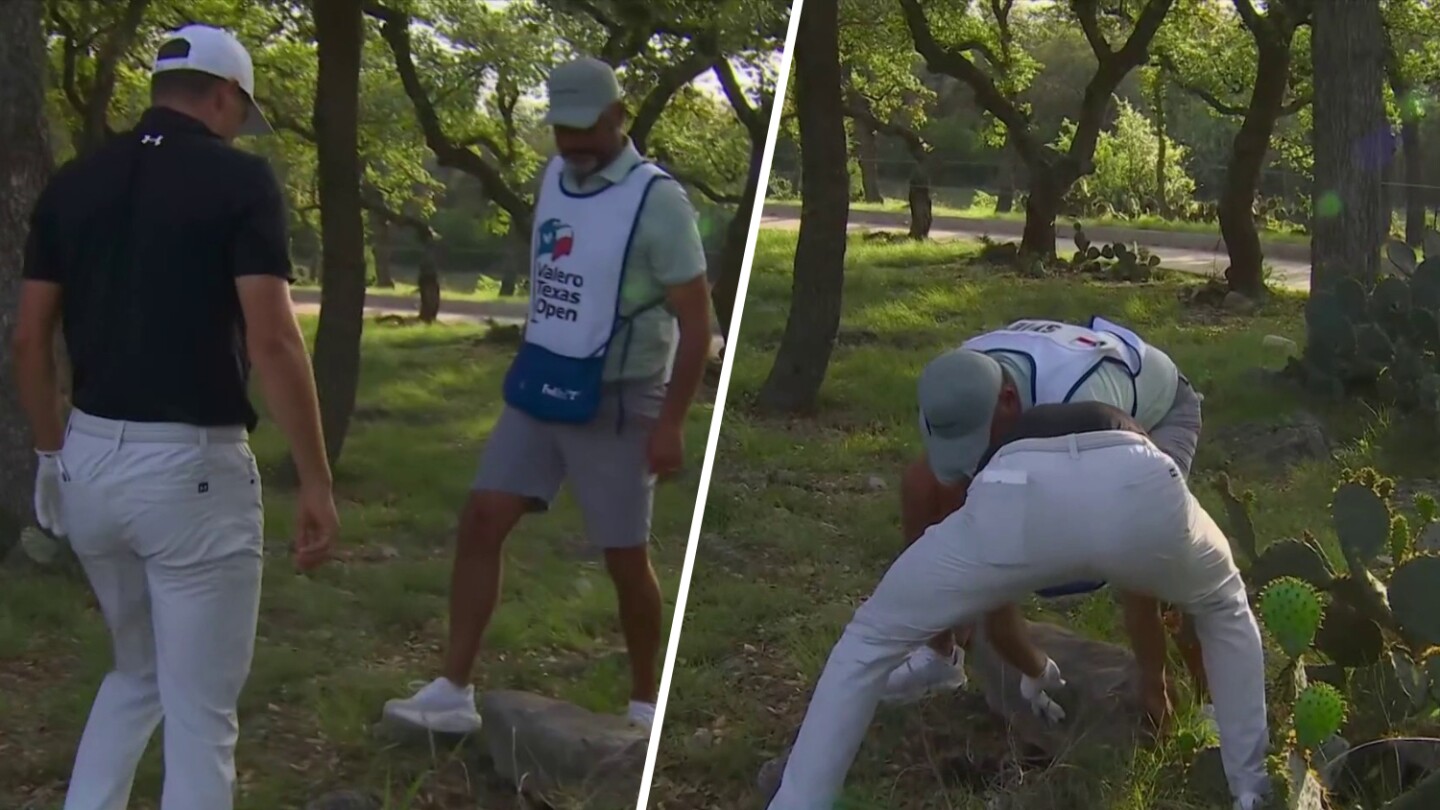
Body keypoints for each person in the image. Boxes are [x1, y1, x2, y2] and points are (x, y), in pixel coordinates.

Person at [11, 24, 337, 810]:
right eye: (239, 111)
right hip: (190, 469)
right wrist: (318, 481)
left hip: (88, 459)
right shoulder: (239, 182)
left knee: (136, 675)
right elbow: (272, 338)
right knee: (200, 713)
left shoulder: (74, 184)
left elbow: (28, 336)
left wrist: (52, 456)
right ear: (224, 96)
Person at [382, 57, 712, 735]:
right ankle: (452, 690)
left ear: (618, 116)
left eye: (584, 128)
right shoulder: (553, 178)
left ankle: (646, 703)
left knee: (623, 555)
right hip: (541, 384)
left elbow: (698, 321)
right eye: (561, 129)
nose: (571, 143)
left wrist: (672, 422)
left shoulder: (658, 202)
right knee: (480, 519)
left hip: (620, 396)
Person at [766, 399, 1270, 810]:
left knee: (869, 639)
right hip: (1138, 477)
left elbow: (987, 591)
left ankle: (794, 802)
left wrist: (1018, 663)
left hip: (1014, 488)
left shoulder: (985, 390)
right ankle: (1252, 790)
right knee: (1226, 607)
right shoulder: (1130, 373)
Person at [886, 317, 1213, 729]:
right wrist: (1031, 665)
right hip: (1045, 403)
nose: (975, 462)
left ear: (1007, 400)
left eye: (980, 444)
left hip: (1156, 411)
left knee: (1154, 545)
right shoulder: (953, 385)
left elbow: (1137, 538)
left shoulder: (1081, 403)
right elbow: (978, 530)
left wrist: (1152, 679)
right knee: (920, 486)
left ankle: (1208, 696)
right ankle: (939, 655)